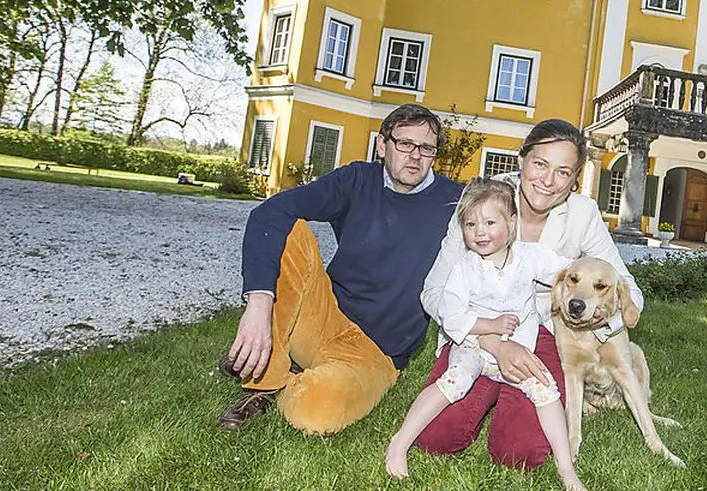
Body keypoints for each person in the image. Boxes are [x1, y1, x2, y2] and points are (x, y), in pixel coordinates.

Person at [217, 104, 463, 434]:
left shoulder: (455, 203)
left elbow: (506, 219)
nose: (415, 156)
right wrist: (258, 304)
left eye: (426, 148)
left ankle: (294, 371)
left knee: (315, 413)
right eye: (404, 143)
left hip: (376, 352)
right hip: (326, 315)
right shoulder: (357, 179)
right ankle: (265, 379)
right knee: (290, 230)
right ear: (382, 145)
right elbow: (270, 213)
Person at [417, 119, 644, 469]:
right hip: (476, 335)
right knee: (436, 438)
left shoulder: (582, 213)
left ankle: (512, 392)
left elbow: (627, 288)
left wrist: (603, 310)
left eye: (563, 172)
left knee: (520, 454)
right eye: (540, 164)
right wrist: (494, 342)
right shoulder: (483, 201)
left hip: (542, 336)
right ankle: (489, 385)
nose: (548, 181)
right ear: (521, 159)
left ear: (574, 179)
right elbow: (434, 291)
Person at [385, 178, 585, 491]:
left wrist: (590, 279)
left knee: (546, 388)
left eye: (490, 222)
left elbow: (568, 270)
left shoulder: (529, 257)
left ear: (512, 223)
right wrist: (489, 326)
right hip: (473, 345)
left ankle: (566, 468)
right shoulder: (466, 268)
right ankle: (399, 443)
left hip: (518, 347)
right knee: (455, 381)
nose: (480, 231)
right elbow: (452, 315)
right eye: (471, 223)